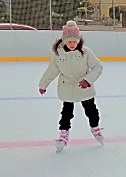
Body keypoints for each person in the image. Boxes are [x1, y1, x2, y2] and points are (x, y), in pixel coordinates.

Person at [38, 20, 104, 153]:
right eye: (69, 41)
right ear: (64, 41)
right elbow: (51, 71)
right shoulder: (58, 55)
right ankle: (63, 135)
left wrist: (87, 80)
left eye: (75, 41)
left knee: (91, 110)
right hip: (67, 87)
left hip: (84, 87)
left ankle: (95, 128)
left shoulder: (86, 52)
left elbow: (98, 67)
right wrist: (43, 84)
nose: (72, 44)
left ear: (79, 40)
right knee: (66, 113)